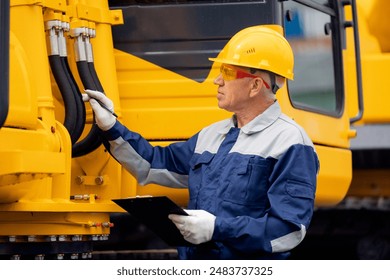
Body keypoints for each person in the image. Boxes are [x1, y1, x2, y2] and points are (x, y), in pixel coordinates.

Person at [83, 25, 319, 260]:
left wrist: (217, 229)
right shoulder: (211, 136)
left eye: (227, 72)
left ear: (255, 85)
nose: (217, 80)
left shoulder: (290, 142)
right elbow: (152, 164)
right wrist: (111, 126)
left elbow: (289, 231)